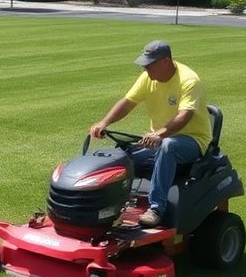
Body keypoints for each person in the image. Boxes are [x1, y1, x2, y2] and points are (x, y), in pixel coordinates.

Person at [89, 41, 212, 227]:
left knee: (168, 146)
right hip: (160, 139)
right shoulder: (148, 78)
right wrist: (104, 122)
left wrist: (160, 134)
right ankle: (111, 205)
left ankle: (156, 208)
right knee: (123, 156)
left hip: (192, 140)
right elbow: (128, 102)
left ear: (165, 61)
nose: (145, 69)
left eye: (149, 64)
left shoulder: (189, 80)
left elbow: (184, 116)